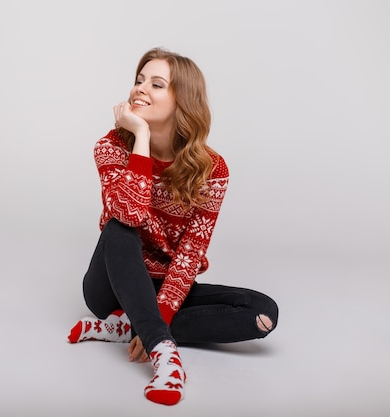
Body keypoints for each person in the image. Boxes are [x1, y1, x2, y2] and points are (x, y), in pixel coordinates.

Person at [67, 47, 279, 406]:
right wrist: (142, 140)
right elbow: (130, 214)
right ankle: (164, 352)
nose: (140, 89)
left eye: (156, 84)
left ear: (183, 100)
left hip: (162, 288)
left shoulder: (212, 170)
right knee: (119, 225)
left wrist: (162, 308)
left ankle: (130, 325)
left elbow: (191, 253)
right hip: (110, 286)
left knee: (262, 313)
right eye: (138, 80)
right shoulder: (112, 146)